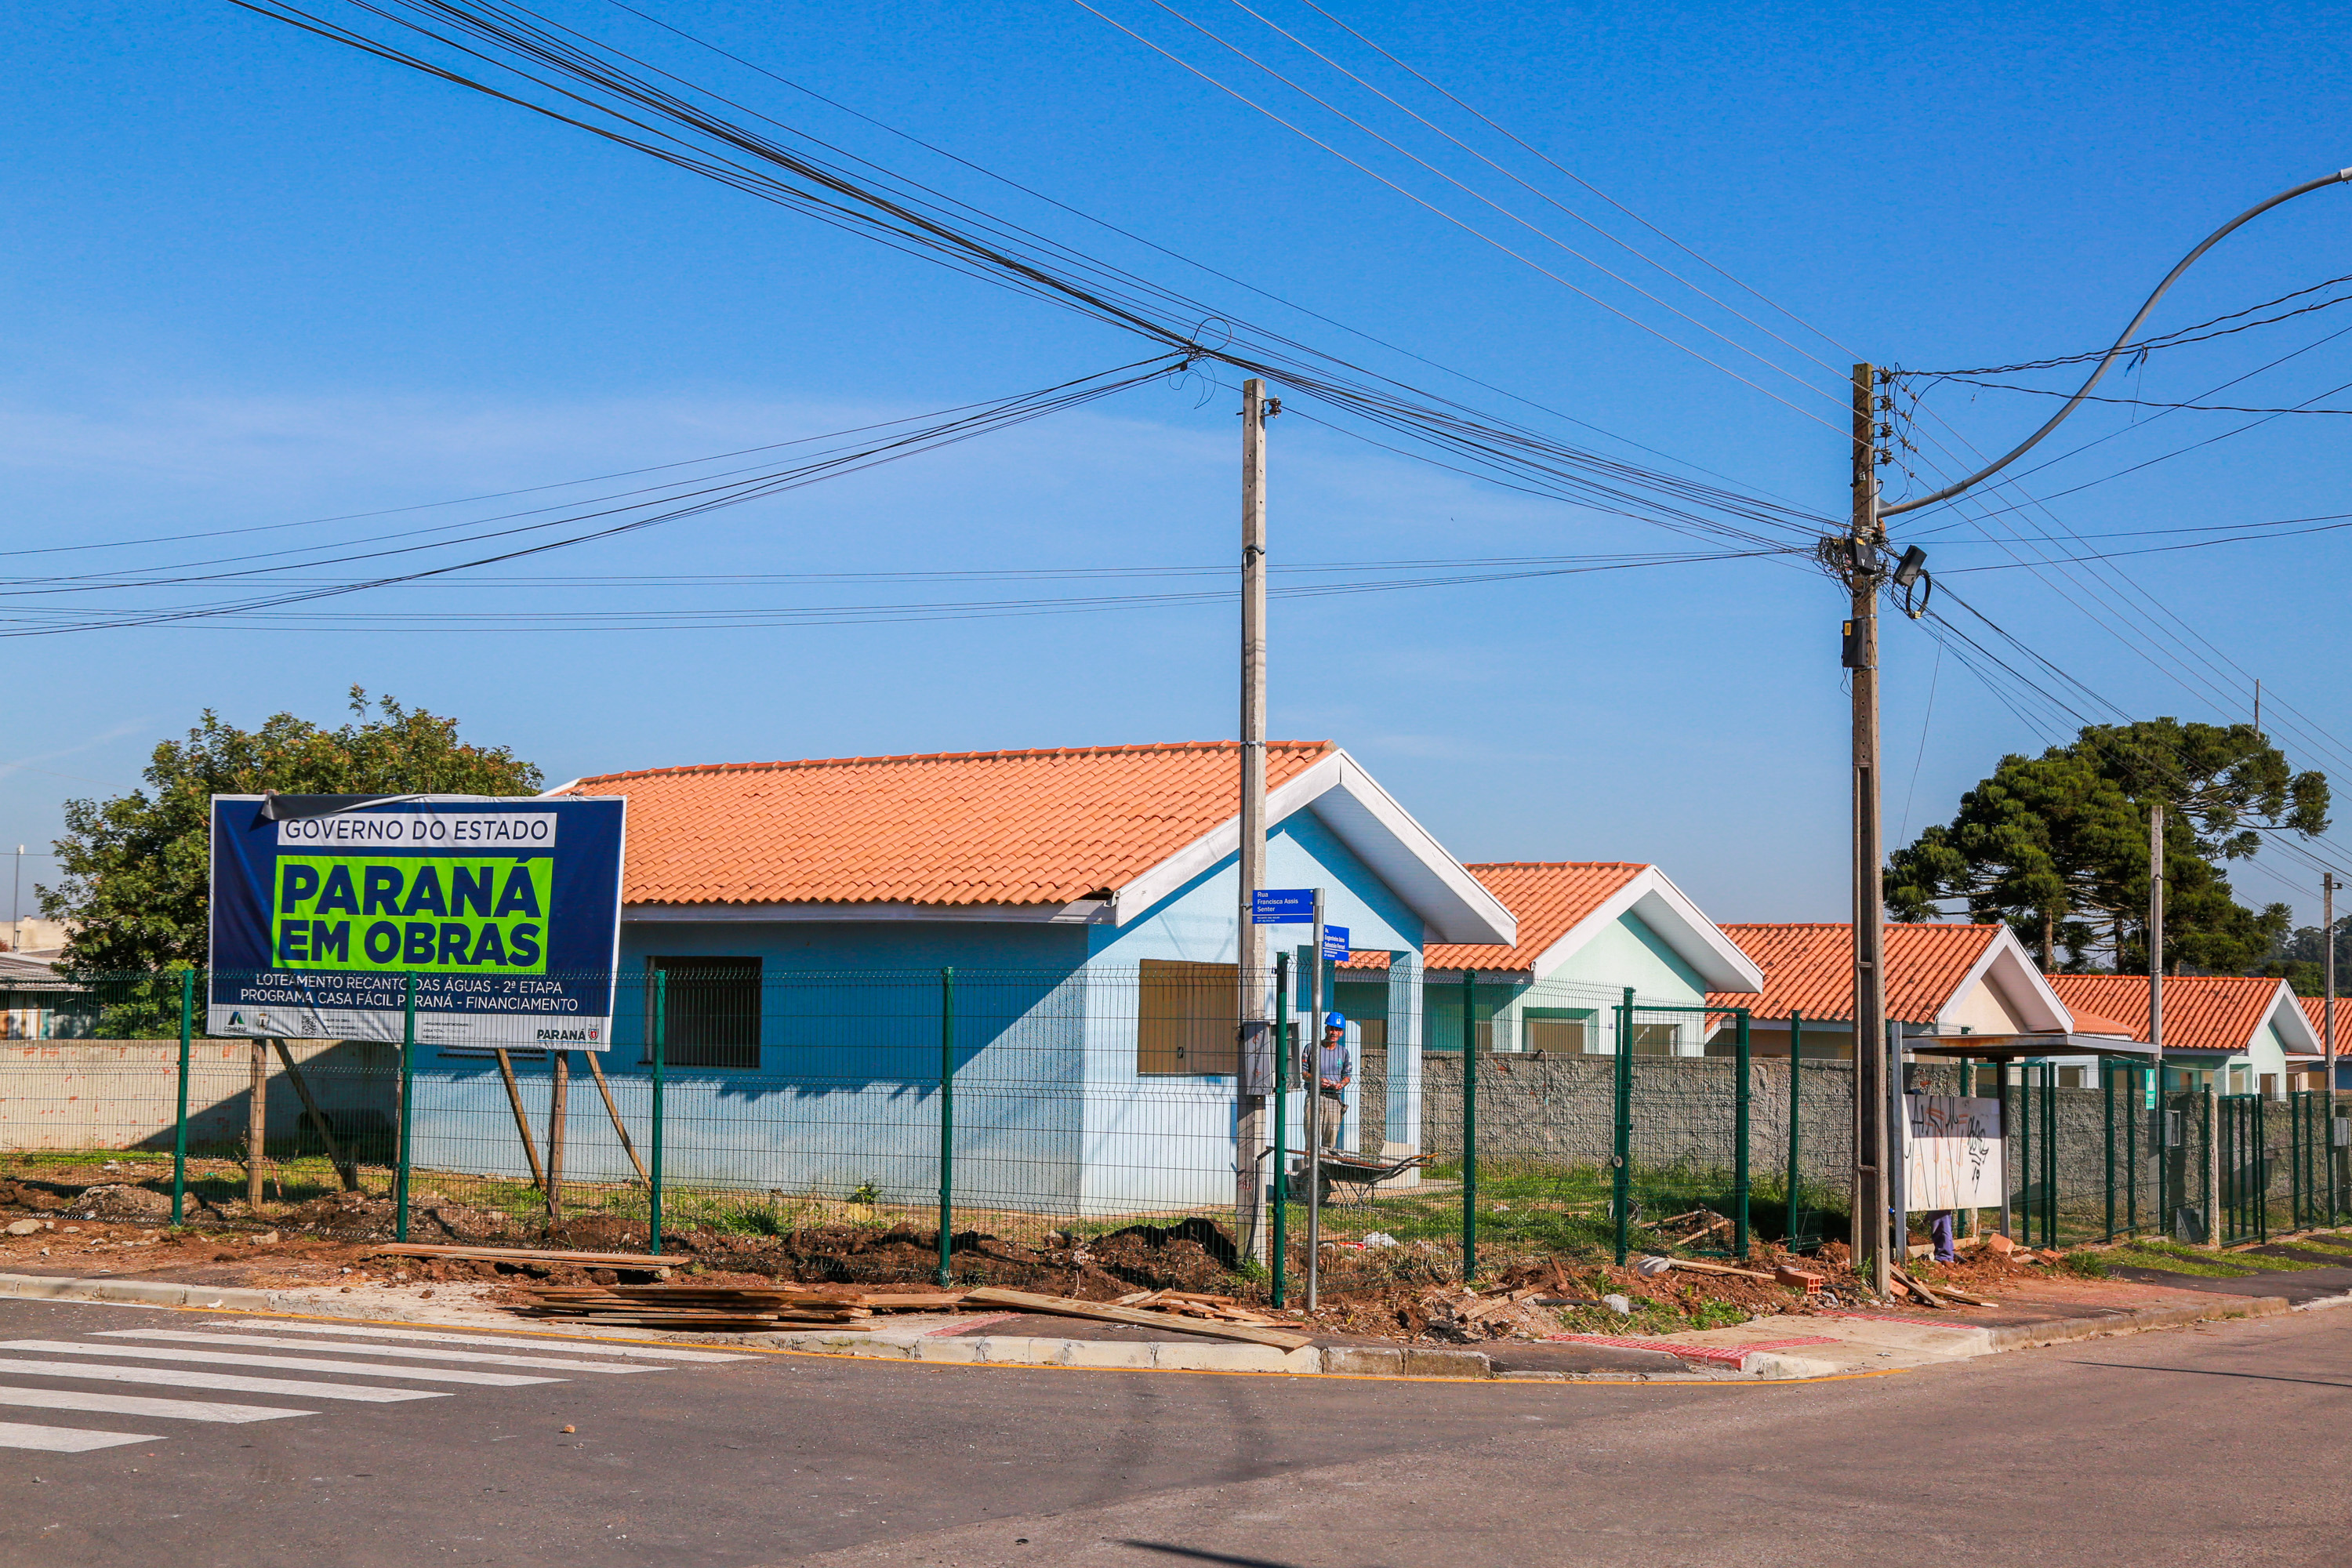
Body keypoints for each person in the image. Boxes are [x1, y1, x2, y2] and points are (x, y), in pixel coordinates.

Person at [1314, 1011, 1352, 1149]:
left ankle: (1325, 1169)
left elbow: (1347, 1076)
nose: (1334, 1032)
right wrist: (1317, 1080)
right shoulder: (1312, 1048)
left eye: (1338, 1029)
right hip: (1315, 1097)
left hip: (1334, 1099)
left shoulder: (1344, 1052)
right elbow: (1304, 1073)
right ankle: (1310, 1170)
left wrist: (1341, 1084)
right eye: (1331, 1028)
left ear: (1341, 1033)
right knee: (1312, 1138)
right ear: (1326, 1029)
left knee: (1330, 1141)